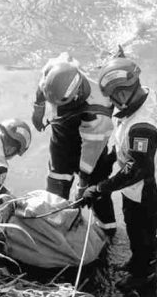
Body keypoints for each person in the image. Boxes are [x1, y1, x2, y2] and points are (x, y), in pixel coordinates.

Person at [80, 56, 157, 293]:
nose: (110, 103)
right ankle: (137, 262)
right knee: (133, 227)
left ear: (122, 95)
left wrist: (101, 188)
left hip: (149, 192)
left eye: (112, 97)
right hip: (143, 186)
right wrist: (111, 156)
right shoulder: (143, 95)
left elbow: (138, 170)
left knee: (143, 234)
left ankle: (145, 275)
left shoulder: (142, 128)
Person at [30, 53, 117, 239]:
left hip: (93, 147)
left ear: (77, 94)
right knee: (56, 184)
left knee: (96, 191)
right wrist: (38, 111)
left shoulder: (99, 107)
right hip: (62, 138)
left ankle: (107, 231)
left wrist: (83, 183)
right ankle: (53, 225)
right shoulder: (54, 72)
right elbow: (42, 88)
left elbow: (91, 151)